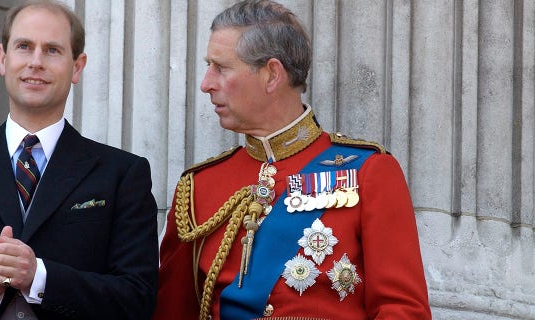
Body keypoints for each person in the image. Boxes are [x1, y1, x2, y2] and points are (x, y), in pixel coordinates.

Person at [154, 1, 431, 319]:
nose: (206, 84)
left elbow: (402, 310)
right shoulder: (198, 187)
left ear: (272, 74)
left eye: (221, 67)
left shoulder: (368, 172)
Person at [0, 1, 158, 319]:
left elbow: (138, 299)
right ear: (3, 58)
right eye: (24, 46)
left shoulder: (123, 174)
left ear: (77, 66)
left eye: (52, 50)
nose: (36, 62)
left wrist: (39, 277)